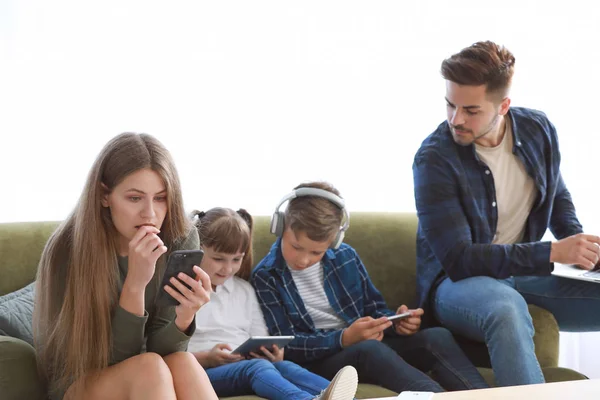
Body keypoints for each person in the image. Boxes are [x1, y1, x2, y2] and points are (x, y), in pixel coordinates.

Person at [412, 40, 600, 386]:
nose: (456, 119)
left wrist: (583, 250)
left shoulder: (537, 129)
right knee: (504, 308)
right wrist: (553, 252)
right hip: (457, 285)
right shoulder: (434, 160)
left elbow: (555, 194)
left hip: (523, 274)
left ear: (504, 106)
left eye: (471, 110)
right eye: (450, 105)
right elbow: (460, 259)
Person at [251, 182, 489, 394]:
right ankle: (430, 394)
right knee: (370, 350)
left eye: (316, 252)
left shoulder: (346, 257)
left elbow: (374, 309)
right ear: (281, 227)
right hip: (321, 360)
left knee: (436, 336)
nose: (303, 260)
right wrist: (343, 338)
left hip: (364, 344)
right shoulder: (266, 276)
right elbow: (286, 345)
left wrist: (395, 322)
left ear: (333, 242)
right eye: (296, 246)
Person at [33, 133, 218, 400]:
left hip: (150, 375)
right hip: (80, 380)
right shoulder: (67, 248)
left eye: (160, 198)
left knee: (183, 362)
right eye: (134, 198)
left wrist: (184, 316)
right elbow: (111, 360)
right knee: (149, 367)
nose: (150, 214)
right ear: (104, 195)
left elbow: (166, 351)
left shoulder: (179, 237)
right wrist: (136, 282)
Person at [187, 207, 358, 400]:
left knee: (285, 366)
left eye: (236, 260)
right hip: (202, 372)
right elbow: (167, 354)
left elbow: (260, 337)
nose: (228, 268)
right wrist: (207, 358)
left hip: (245, 362)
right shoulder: (183, 292)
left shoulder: (244, 290)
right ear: (197, 249)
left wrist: (273, 354)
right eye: (218, 259)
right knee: (256, 367)